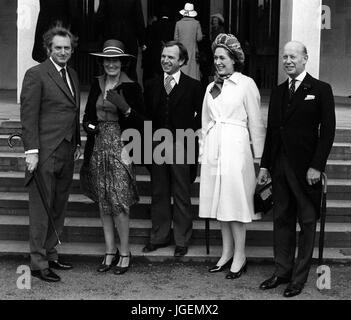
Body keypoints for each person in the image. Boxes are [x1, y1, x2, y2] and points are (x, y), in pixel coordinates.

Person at [257, 41, 336, 297]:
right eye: (284, 57)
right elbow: (272, 132)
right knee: (282, 220)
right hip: (279, 166)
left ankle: (299, 278)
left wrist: (317, 166)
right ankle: (282, 271)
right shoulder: (279, 92)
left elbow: (328, 132)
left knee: (307, 221)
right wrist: (265, 165)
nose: (288, 60)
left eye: (293, 56)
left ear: (305, 59)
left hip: (306, 170)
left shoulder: (321, 90)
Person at [198, 33, 266, 279]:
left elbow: (256, 123)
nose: (218, 61)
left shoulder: (246, 84)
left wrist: (261, 160)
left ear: (234, 59)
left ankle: (240, 255)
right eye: (215, 57)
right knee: (220, 204)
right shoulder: (210, 86)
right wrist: (203, 152)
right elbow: (205, 122)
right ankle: (226, 253)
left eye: (223, 57)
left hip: (236, 149)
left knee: (235, 204)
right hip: (215, 148)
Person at [21, 26, 81, 282]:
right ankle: (37, 262)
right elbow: (28, 115)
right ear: (48, 49)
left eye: (67, 48)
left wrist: (77, 142)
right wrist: (31, 151)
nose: (63, 52)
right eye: (58, 47)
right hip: (44, 152)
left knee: (58, 206)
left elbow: (73, 110)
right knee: (41, 210)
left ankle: (51, 253)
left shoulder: (73, 75)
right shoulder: (36, 74)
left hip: (67, 150)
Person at [81, 39, 145, 275]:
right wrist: (90, 127)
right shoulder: (97, 84)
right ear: (103, 62)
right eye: (107, 60)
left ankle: (125, 252)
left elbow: (141, 122)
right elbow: (87, 116)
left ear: (122, 62)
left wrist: (126, 108)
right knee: (104, 202)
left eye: (115, 60)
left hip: (122, 147)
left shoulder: (131, 86)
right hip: (98, 146)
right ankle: (110, 251)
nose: (111, 64)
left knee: (119, 202)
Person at [142, 41, 203, 257]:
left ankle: (182, 239)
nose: (165, 61)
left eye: (171, 57)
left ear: (182, 61)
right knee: (159, 192)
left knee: (181, 194)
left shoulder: (194, 87)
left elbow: (202, 118)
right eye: (163, 56)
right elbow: (146, 117)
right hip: (157, 145)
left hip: (182, 145)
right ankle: (158, 237)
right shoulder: (151, 85)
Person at [95, 0, 147, 81]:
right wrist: (142, 42)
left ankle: (110, 92)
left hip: (111, 40)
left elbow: (99, 18)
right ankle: (132, 93)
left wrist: (99, 38)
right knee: (130, 73)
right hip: (129, 41)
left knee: (110, 70)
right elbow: (139, 19)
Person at [174, 3, 203, 81]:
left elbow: (175, 39)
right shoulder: (196, 23)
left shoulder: (178, 23)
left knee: (182, 70)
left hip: (181, 51)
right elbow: (199, 38)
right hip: (193, 51)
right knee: (193, 73)